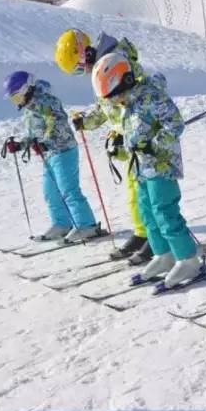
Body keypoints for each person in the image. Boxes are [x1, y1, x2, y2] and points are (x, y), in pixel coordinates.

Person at [91, 53, 201, 288]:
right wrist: (121, 149)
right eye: (112, 98)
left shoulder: (151, 96)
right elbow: (135, 136)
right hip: (141, 168)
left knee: (164, 211)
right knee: (146, 213)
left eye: (117, 94)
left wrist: (153, 143)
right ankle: (164, 255)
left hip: (161, 165)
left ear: (127, 81)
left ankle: (188, 259)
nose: (116, 101)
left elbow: (175, 124)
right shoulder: (128, 104)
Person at [55, 28, 151, 263]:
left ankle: (155, 238)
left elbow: (138, 99)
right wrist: (86, 121)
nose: (83, 72)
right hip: (128, 140)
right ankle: (141, 234)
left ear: (84, 53)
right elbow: (107, 106)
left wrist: (128, 131)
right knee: (134, 193)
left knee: (147, 192)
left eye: (79, 67)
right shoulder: (102, 65)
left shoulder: (118, 62)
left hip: (142, 139)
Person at [3, 71, 100, 243]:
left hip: (63, 150)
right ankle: (62, 224)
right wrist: (20, 144)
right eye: (13, 100)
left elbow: (59, 125)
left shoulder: (47, 102)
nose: (17, 102)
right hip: (49, 154)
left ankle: (87, 225)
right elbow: (34, 133)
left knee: (69, 190)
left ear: (27, 89)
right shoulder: (29, 108)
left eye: (17, 97)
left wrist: (45, 143)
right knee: (50, 193)